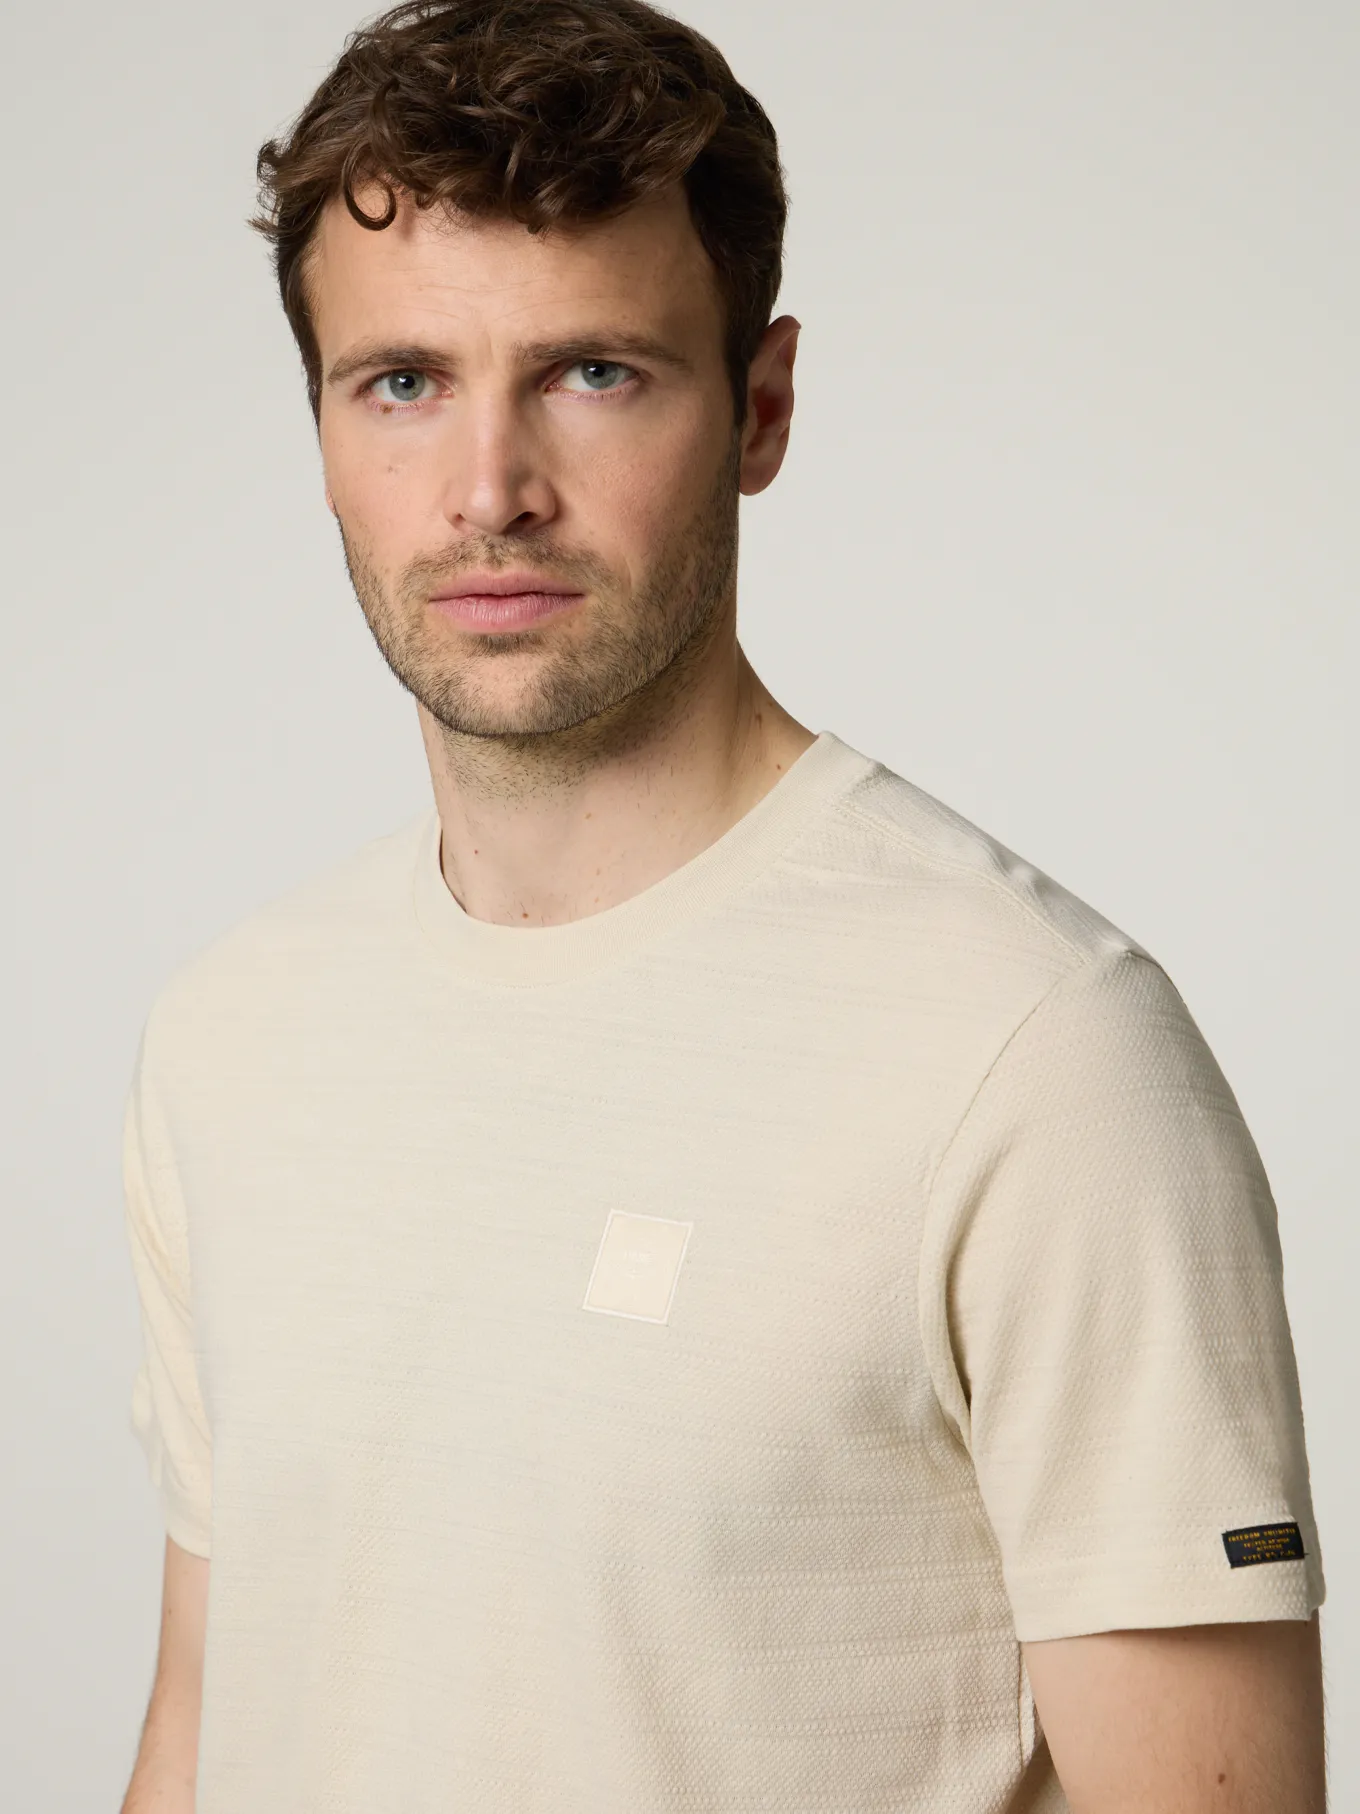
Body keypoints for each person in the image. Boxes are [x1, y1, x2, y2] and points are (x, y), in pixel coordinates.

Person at [117, 2, 1326, 1809]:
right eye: (404, 383)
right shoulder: (230, 1037)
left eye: (594, 372)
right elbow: (211, 1721)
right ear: (321, 428)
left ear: (760, 408)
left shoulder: (1037, 1052)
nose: (489, 492)